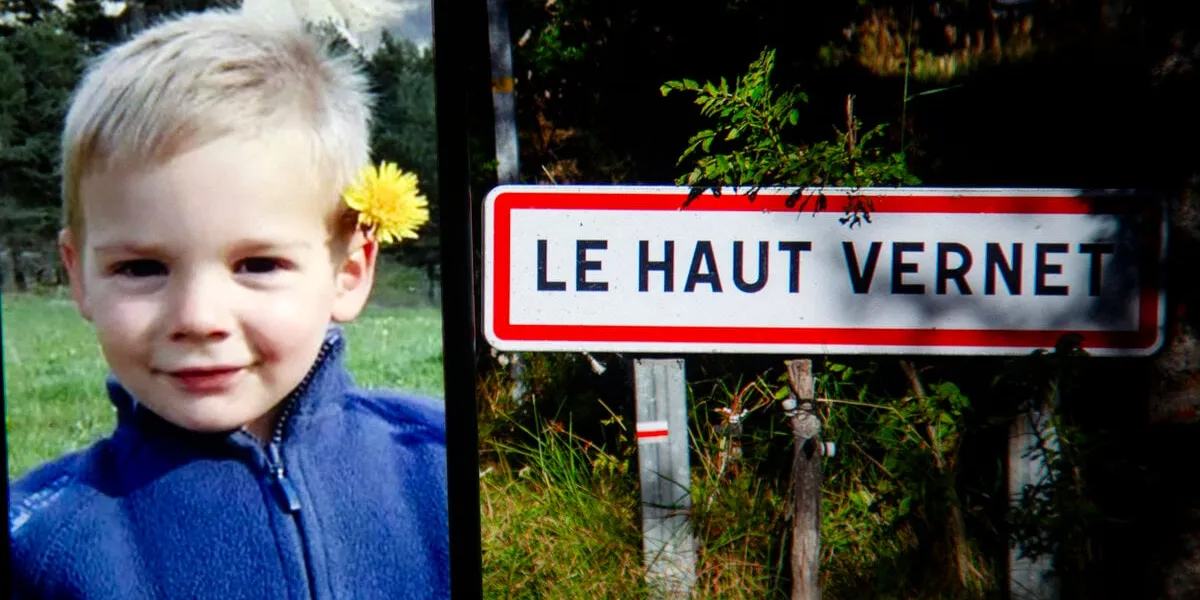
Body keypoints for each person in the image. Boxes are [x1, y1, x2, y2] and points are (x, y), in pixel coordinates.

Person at [7, 6, 448, 599]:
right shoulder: (38, 540)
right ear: (80, 277)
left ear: (348, 271)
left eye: (258, 265)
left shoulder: (437, 468)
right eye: (141, 268)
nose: (197, 318)